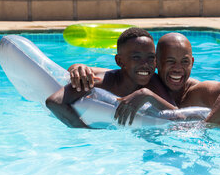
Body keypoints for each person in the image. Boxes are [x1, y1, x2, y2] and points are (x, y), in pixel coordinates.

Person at [115, 32, 220, 126]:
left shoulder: (196, 92)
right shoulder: (145, 81)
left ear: (192, 62)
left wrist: (204, 130)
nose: (178, 68)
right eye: (170, 61)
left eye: (185, 62)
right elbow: (110, 74)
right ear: (156, 63)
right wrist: (91, 72)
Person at [46, 27, 174, 128]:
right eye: (136, 57)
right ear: (119, 61)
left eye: (151, 58)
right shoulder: (100, 82)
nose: (145, 64)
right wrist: (84, 130)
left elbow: (178, 115)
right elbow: (54, 102)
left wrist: (147, 94)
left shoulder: (153, 82)